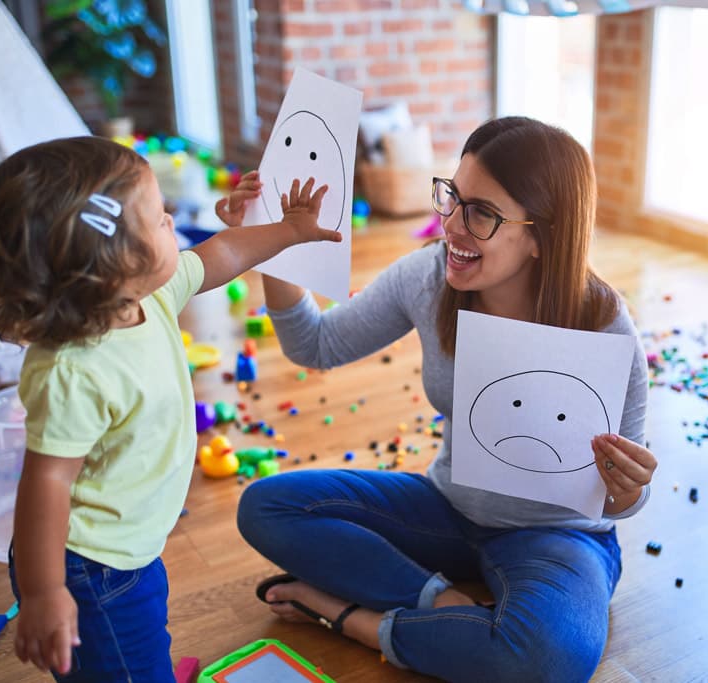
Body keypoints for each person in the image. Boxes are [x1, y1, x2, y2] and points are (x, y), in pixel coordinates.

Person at [233, 116, 657, 683]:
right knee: (265, 506)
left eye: (481, 212)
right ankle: (439, 605)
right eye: (452, 197)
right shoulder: (429, 278)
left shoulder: (604, 324)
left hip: (558, 537)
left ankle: (349, 617)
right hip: (447, 510)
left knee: (549, 661)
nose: (452, 226)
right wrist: (275, 244)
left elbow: (619, 502)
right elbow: (316, 344)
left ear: (541, 233)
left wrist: (631, 489)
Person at [0, 136, 341, 682]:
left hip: (131, 547)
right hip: (88, 568)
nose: (172, 219)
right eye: (158, 217)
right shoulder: (71, 370)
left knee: (139, 637)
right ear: (111, 264)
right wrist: (45, 592)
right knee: (121, 661)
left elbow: (224, 254)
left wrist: (288, 231)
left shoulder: (149, 296)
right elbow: (44, 483)